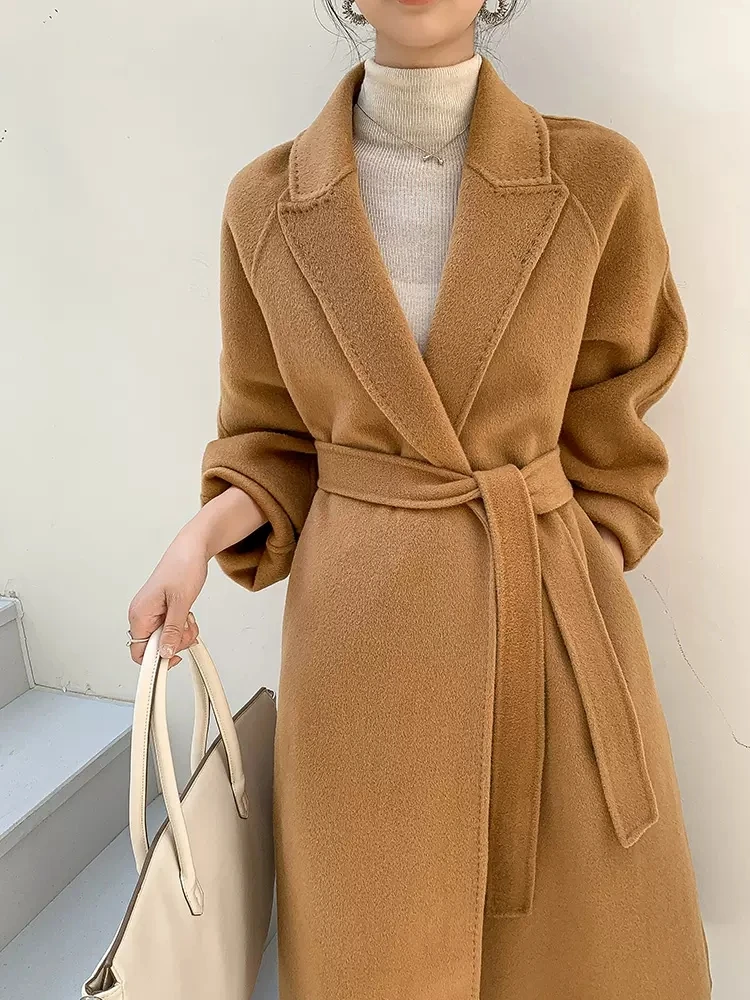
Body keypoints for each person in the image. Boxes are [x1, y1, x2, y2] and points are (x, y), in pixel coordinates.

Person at [128, 1, 712, 997]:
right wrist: (194, 542)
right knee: (374, 948)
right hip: (362, 659)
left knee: (578, 956)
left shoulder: (596, 179)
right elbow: (275, 438)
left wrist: (578, 571)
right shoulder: (265, 205)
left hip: (546, 631)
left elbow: (616, 429)